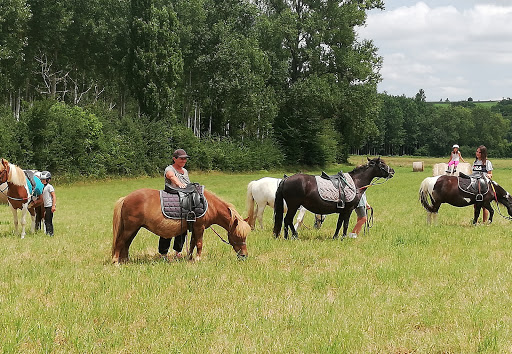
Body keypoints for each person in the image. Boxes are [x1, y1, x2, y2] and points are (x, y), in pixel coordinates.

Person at [159, 149, 190, 259]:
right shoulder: (169, 169)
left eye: (185, 158)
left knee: (184, 224)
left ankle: (178, 251)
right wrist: (179, 184)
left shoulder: (185, 171)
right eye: (181, 158)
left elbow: (188, 184)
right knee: (168, 224)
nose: (184, 160)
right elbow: (172, 177)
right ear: (174, 159)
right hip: (171, 193)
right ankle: (163, 253)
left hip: (183, 196)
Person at [472, 145, 493, 223]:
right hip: (476, 185)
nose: (477, 153)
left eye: (479, 152)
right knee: (475, 204)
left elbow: (490, 174)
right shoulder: (475, 162)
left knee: (484, 205)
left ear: (483, 153)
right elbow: (473, 173)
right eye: (477, 151)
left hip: (484, 185)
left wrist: (488, 175)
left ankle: (484, 221)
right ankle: (476, 220)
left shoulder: (487, 162)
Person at [40, 171, 56, 236]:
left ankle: (50, 233)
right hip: (46, 206)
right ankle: (47, 232)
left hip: (49, 205)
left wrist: (53, 206)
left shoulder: (49, 187)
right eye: (42, 179)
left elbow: (53, 196)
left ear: (48, 180)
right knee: (46, 220)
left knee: (49, 220)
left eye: (44, 179)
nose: (42, 181)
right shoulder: (43, 187)